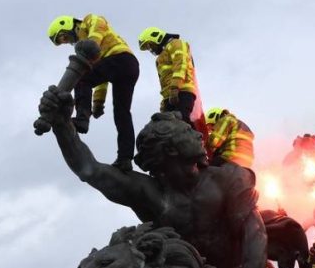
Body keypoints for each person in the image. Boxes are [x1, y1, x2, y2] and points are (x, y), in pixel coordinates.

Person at [38, 86, 267, 268]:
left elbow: (254, 234)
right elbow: (90, 170)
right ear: (171, 149)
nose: (199, 134)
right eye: (188, 132)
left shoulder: (229, 178)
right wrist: (62, 124)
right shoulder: (149, 193)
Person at [47, 14, 139, 171]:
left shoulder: (89, 20)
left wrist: (91, 45)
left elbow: (99, 25)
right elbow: (101, 77)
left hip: (120, 58)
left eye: (64, 37)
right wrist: (98, 103)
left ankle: (82, 119)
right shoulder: (92, 49)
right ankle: (125, 158)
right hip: (129, 66)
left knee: (81, 79)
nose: (67, 42)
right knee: (122, 113)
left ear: (68, 26)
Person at [137, 27, 198, 126]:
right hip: (170, 96)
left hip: (182, 91)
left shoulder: (176, 43)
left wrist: (175, 88)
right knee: (166, 126)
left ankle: (197, 140)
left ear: (156, 37)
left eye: (150, 45)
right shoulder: (160, 59)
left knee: (182, 121)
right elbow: (164, 84)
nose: (150, 49)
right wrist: (164, 103)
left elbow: (180, 65)